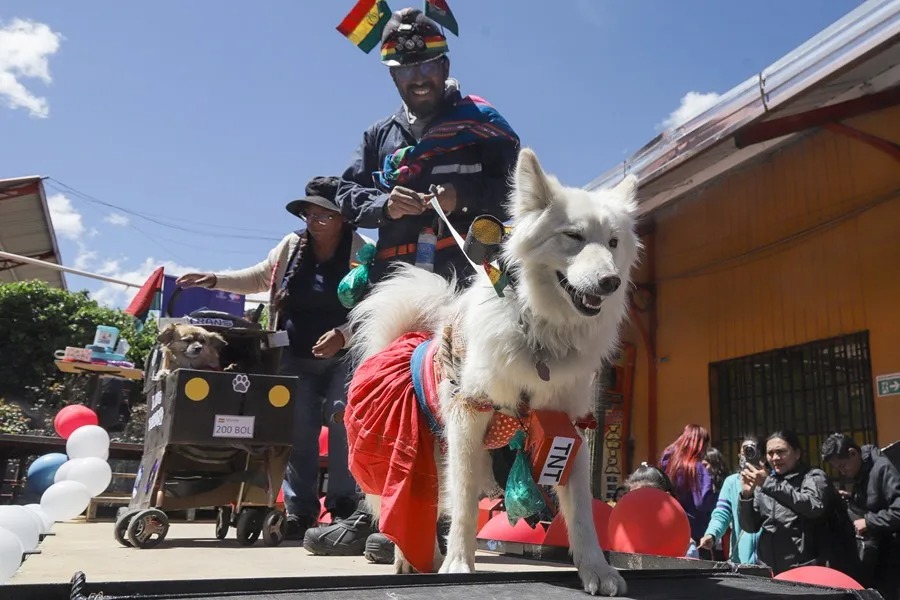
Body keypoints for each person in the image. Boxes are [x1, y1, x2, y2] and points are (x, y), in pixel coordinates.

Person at [303, 7, 519, 562]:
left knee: (454, 399)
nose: (418, 76)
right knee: (377, 393)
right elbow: (346, 193)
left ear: (445, 64)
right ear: (392, 76)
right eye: (405, 68)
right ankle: (371, 509)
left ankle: (446, 520)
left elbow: (520, 185)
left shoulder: (483, 123)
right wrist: (382, 203)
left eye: (427, 64)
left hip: (461, 278)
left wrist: (460, 200)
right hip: (394, 282)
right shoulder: (379, 136)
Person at [176, 176, 372, 540]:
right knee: (297, 429)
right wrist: (214, 279)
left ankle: (344, 504)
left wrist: (343, 335)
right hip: (293, 355)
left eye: (322, 216)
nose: (313, 222)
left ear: (342, 219)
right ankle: (300, 512)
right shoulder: (290, 246)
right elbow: (258, 277)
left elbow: (374, 309)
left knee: (342, 416)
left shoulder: (363, 252)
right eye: (308, 215)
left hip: (345, 357)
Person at [738, 431, 840, 575]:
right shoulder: (766, 483)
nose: (775, 458)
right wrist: (746, 496)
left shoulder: (812, 477)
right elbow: (750, 527)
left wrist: (769, 484)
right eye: (770, 453)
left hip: (805, 568)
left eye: (781, 452)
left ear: (797, 453)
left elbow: (814, 507)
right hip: (769, 570)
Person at [822, 433, 900, 599]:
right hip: (877, 555)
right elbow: (876, 502)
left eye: (843, 466)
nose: (842, 472)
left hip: (891, 555)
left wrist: (868, 522)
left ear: (853, 453)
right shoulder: (862, 470)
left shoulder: (882, 467)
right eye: (838, 469)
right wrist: (852, 498)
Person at [699, 437, 762, 565]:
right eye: (744, 452)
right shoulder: (732, 482)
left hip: (770, 561)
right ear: (739, 455)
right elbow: (722, 513)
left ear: (762, 455)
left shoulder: (772, 482)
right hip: (742, 562)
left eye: (752, 451)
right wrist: (712, 534)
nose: (747, 456)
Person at [660, 425, 717, 552]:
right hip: (695, 533)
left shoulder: (668, 464)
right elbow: (702, 502)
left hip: (670, 527)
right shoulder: (697, 468)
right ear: (700, 444)